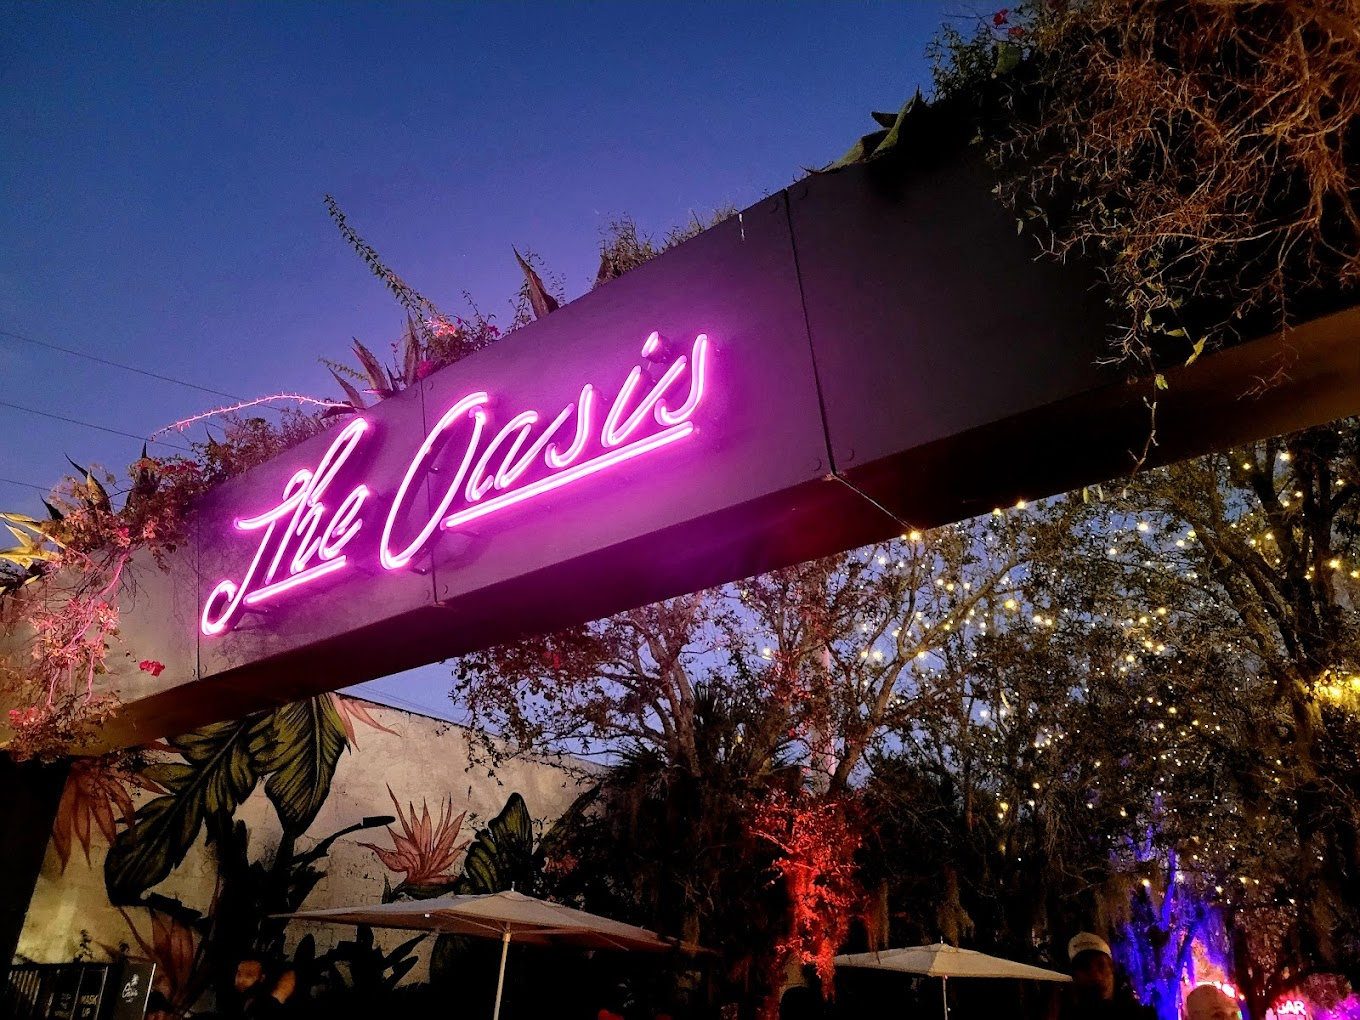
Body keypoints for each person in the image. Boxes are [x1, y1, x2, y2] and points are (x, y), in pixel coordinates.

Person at [1060, 932, 1155, 1020]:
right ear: (1075, 975)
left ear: (1112, 967)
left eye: (1101, 966)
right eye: (1085, 967)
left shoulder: (1143, 1015)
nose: (1096, 976)